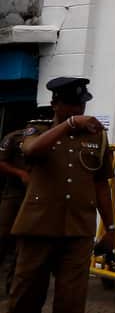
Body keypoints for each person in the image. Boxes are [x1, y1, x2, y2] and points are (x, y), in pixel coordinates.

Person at [8, 77, 115, 313]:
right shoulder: (36, 130)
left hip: (78, 231)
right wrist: (70, 124)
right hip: (38, 228)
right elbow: (32, 150)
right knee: (26, 297)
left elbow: (101, 186)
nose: (78, 110)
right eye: (71, 105)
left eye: (81, 105)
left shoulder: (97, 137)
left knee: (72, 301)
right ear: (55, 103)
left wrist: (111, 228)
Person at [0, 107, 51, 293]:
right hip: (14, 195)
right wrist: (20, 173)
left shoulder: (54, 139)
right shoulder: (14, 137)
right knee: (3, 237)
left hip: (37, 199)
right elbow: (1, 162)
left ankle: (12, 284)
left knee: (24, 244)